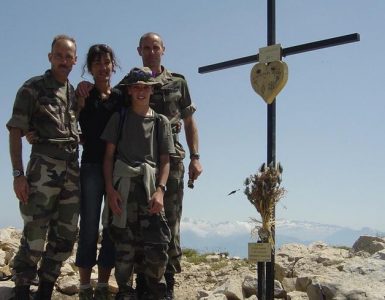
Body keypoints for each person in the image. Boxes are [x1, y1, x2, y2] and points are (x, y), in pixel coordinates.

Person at [7, 34, 80, 299]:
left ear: (74, 60)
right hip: (42, 168)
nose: (63, 61)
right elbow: (16, 130)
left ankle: (46, 287)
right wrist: (18, 174)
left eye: (68, 56)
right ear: (50, 57)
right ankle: (23, 287)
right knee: (35, 232)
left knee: (66, 234)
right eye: (58, 56)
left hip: (71, 170)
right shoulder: (33, 88)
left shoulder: (75, 93)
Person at [134, 32, 203, 299]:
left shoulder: (178, 82)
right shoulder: (132, 82)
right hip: (141, 157)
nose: (151, 52)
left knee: (170, 222)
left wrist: (196, 156)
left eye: (156, 47)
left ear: (163, 50)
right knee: (140, 219)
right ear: (139, 50)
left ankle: (167, 282)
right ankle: (143, 281)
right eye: (146, 48)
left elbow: (189, 121)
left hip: (172, 159)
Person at [101, 67, 174, 300]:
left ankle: (154, 292)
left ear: (152, 90)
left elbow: (165, 160)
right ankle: (125, 293)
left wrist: (160, 191)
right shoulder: (119, 118)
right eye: (136, 87)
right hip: (123, 189)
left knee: (156, 247)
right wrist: (110, 190)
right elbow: (108, 157)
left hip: (150, 189)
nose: (141, 91)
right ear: (130, 91)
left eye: (145, 87)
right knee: (124, 249)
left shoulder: (161, 122)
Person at [75, 44, 124, 300]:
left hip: (118, 168)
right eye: (97, 63)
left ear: (112, 65)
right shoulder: (84, 94)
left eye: (106, 62)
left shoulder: (120, 97)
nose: (103, 68)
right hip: (92, 166)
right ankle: (84, 286)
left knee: (113, 226)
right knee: (90, 226)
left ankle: (103, 285)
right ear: (90, 68)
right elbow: (68, 120)